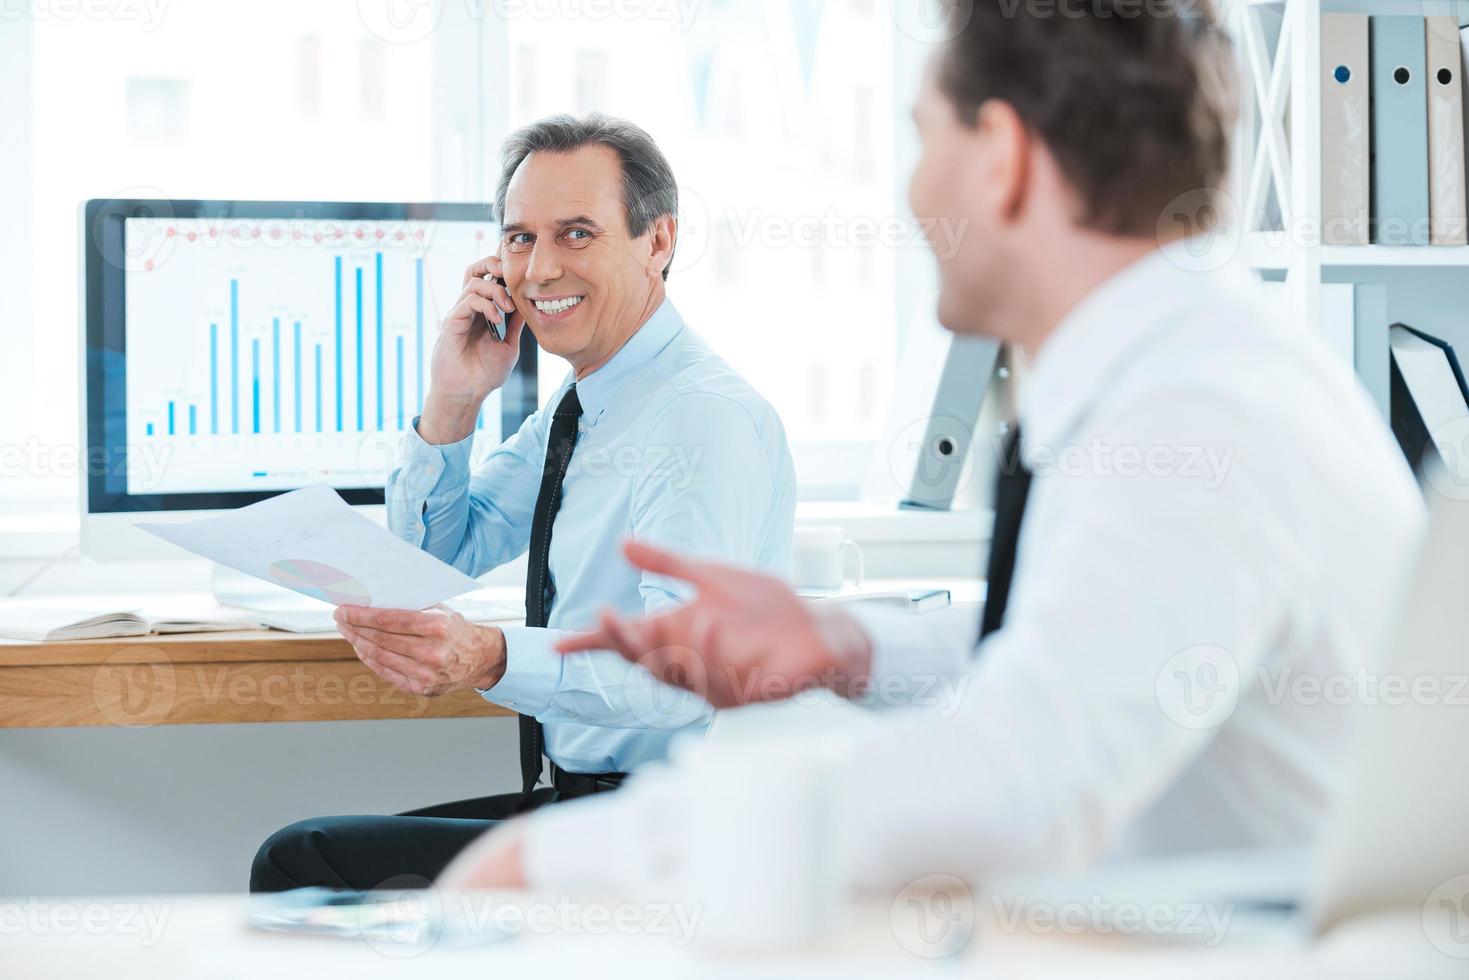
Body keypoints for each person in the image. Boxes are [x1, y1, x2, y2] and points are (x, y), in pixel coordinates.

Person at [435, 0, 1425, 893]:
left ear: (999, 157)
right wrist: (842, 643)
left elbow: (1010, 779)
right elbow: (1067, 647)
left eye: (921, 140)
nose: (911, 194)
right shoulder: (1177, 372)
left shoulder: (1195, 417)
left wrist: (568, 857)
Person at [250, 114, 796, 892]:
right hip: (583, 807)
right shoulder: (585, 406)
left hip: (671, 831)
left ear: (658, 241)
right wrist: (453, 401)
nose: (537, 270)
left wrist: (491, 656)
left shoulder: (699, 418)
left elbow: (680, 671)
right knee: (317, 865)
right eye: (518, 238)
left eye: (576, 234)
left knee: (307, 865)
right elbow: (432, 564)